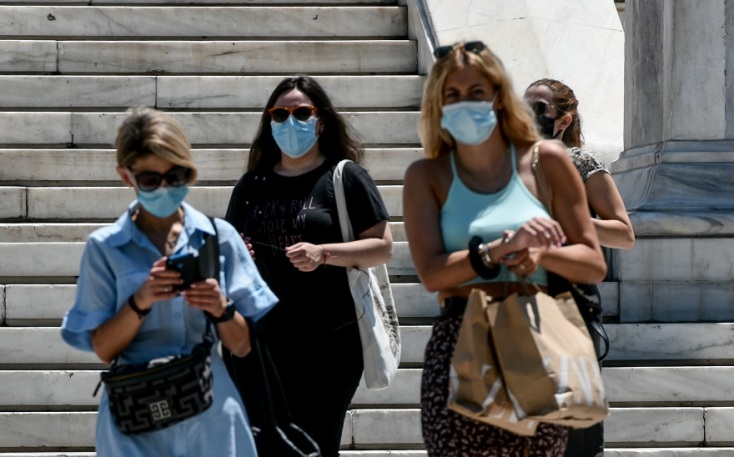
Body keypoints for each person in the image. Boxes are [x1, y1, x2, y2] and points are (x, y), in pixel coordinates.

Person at [402, 41, 607, 456]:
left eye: (476, 91)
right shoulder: (427, 175)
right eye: (452, 94)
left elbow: (592, 263)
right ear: (438, 104)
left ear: (498, 96)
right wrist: (498, 250)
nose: (465, 102)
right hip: (459, 342)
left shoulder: (547, 159)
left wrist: (541, 254)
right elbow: (432, 273)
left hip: (537, 338)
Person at [60, 107, 278, 457]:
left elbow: (242, 346)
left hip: (210, 412)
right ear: (125, 175)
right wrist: (140, 300)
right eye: (150, 179)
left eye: (176, 176)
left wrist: (221, 309)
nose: (164, 187)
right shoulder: (105, 246)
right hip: (134, 416)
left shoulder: (218, 236)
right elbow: (103, 349)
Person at [225, 75, 393, 457]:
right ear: (269, 121)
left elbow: (383, 247)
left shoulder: (345, 176)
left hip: (331, 343)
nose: (290, 121)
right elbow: (229, 250)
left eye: (301, 113)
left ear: (321, 121)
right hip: (264, 341)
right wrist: (239, 254)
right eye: (280, 114)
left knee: (316, 446)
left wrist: (324, 253)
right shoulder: (252, 185)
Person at [525, 79, 635, 457]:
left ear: (563, 120)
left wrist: (571, 221)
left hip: (570, 305)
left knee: (578, 437)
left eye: (538, 109)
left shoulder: (581, 163)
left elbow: (623, 233)